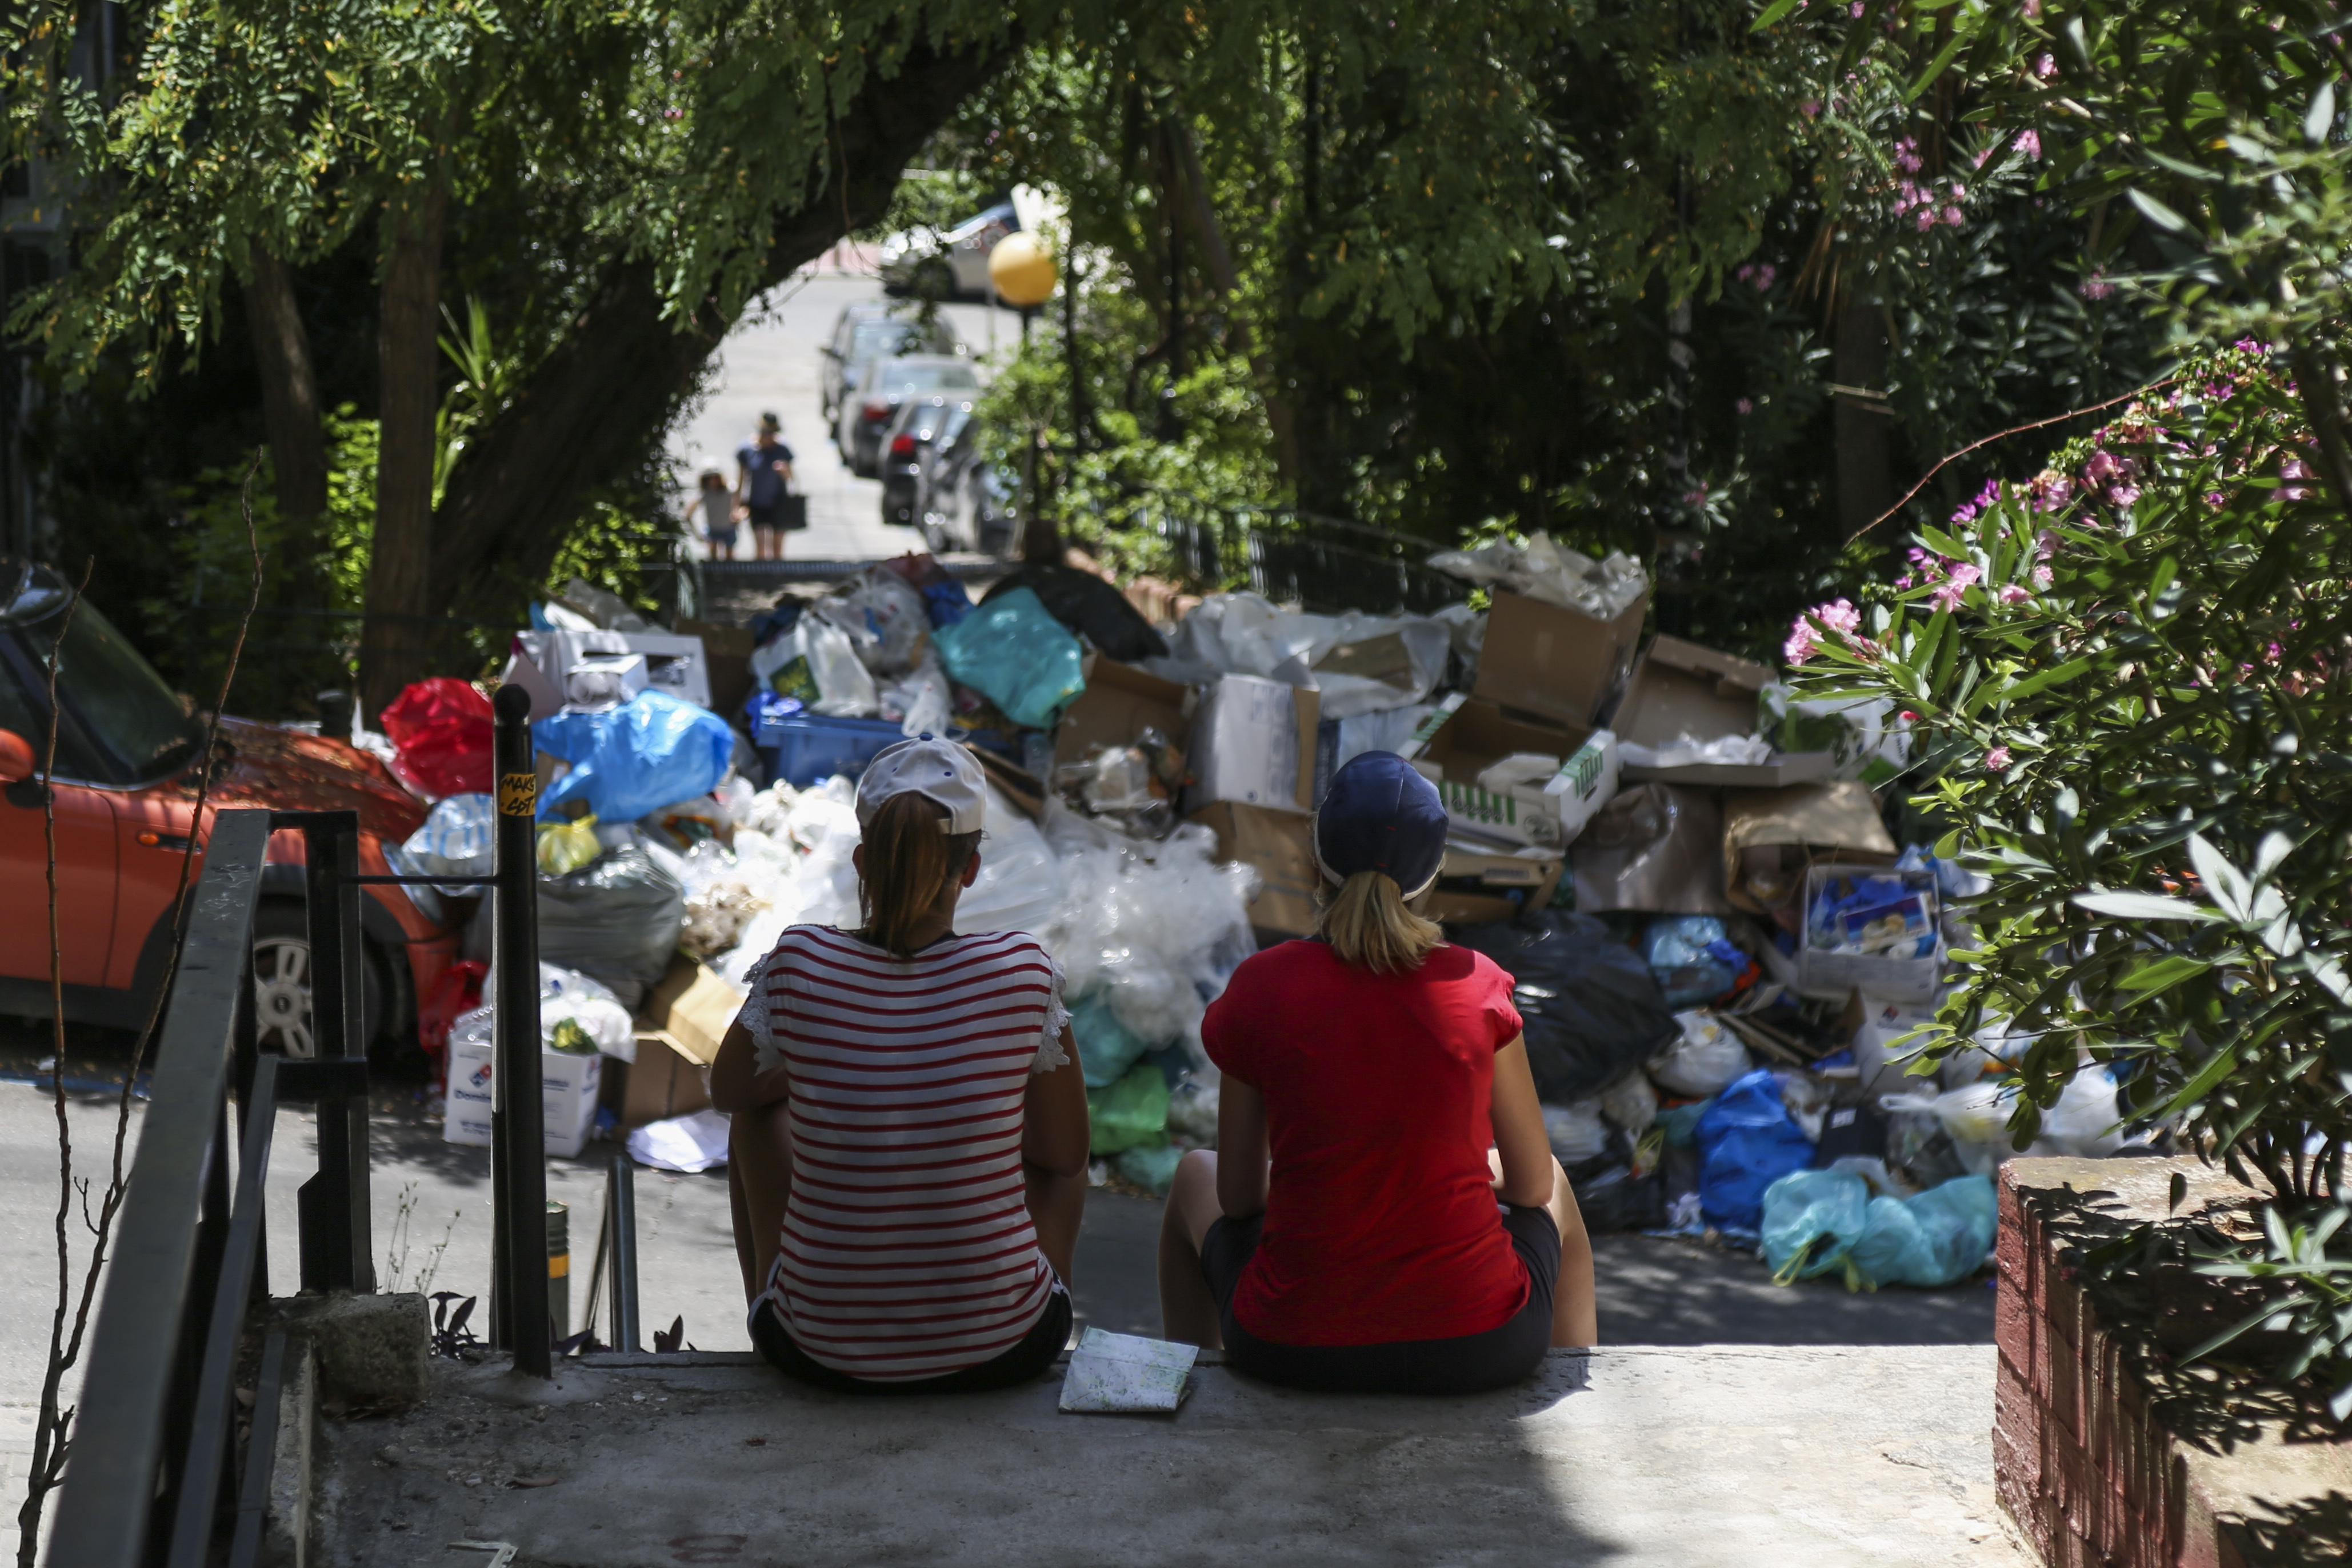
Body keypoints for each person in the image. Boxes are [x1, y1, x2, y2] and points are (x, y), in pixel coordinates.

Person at [1157, 751, 1598, 1393]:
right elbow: (1529, 1188)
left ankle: (1194, 1388)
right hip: (1481, 1344)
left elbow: (1240, 1198)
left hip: (1287, 1342)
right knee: (1555, 1178)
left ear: (1315, 860)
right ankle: (1582, 1395)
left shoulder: (1261, 987)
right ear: (1435, 872)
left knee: (1193, 1171)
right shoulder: (1479, 986)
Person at [709, 737, 1091, 1391]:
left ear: (863, 861)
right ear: (969, 869)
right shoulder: (1022, 972)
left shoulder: (799, 963)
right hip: (1006, 1349)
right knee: (1058, 1154)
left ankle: (774, 1313)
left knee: (754, 1117)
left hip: (814, 1354)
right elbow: (1064, 1156)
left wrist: (827, 1063)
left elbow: (727, 1089)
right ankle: (994, 1303)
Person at [735, 413, 796, 562]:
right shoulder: (747, 450)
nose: (769, 436)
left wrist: (785, 471)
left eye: (772, 433)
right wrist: (737, 506)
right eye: (765, 432)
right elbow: (741, 480)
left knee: (777, 549)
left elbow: (791, 478)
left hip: (779, 503)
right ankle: (761, 580)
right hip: (757, 503)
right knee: (760, 548)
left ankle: (777, 578)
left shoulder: (783, 449)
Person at [690, 469, 737, 561]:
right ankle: (714, 574)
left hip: (728, 527)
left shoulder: (729, 491)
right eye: (709, 479)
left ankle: (729, 574)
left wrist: (737, 515)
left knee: (730, 558)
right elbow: (688, 513)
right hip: (713, 529)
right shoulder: (704, 494)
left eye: (715, 478)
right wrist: (696, 534)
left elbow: (739, 503)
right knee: (713, 558)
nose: (713, 481)